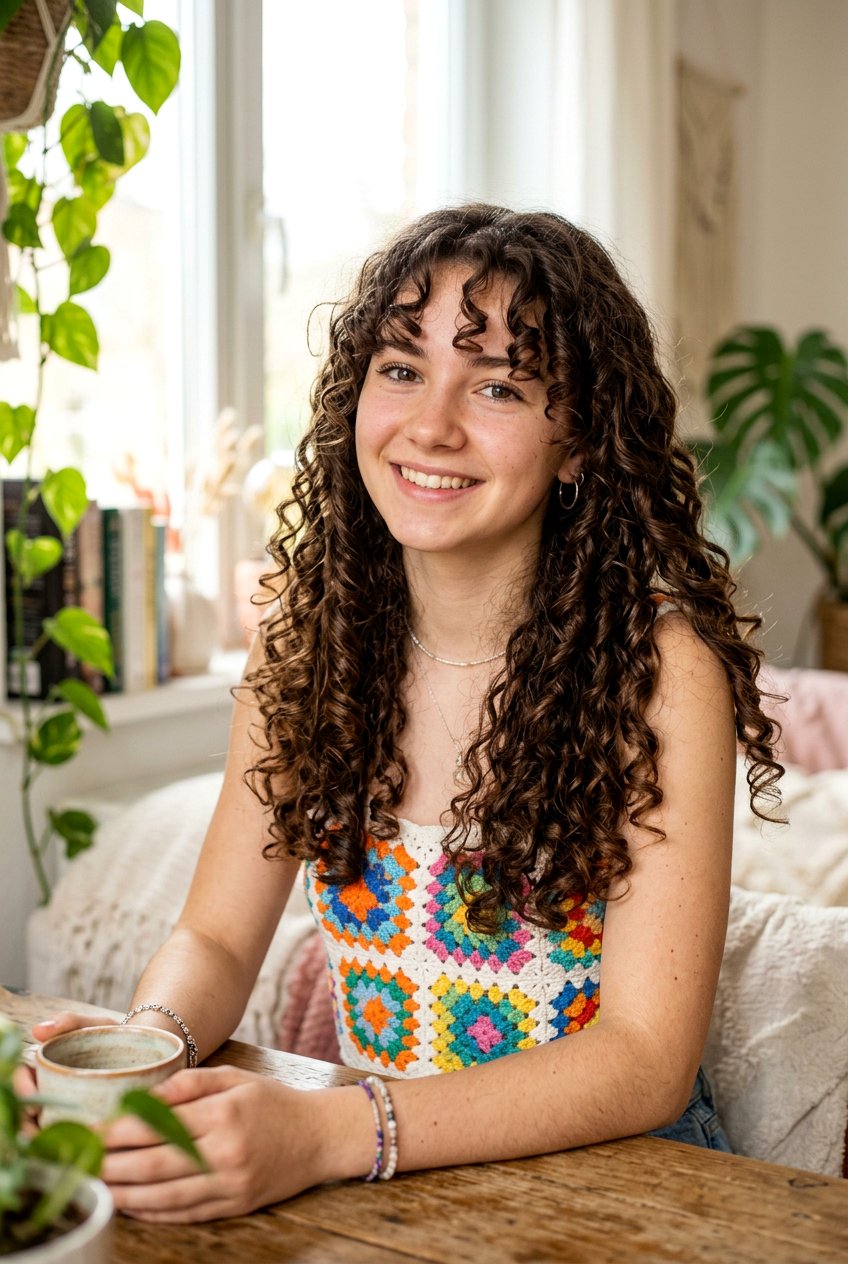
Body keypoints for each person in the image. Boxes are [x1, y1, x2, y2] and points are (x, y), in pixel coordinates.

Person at [24, 204, 781, 1222]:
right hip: (380, 1187)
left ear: (576, 442)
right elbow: (211, 934)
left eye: (500, 384)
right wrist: (149, 1047)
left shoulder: (658, 666)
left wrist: (332, 1131)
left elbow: (644, 1061)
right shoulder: (305, 637)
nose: (431, 425)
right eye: (400, 368)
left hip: (612, 1188)